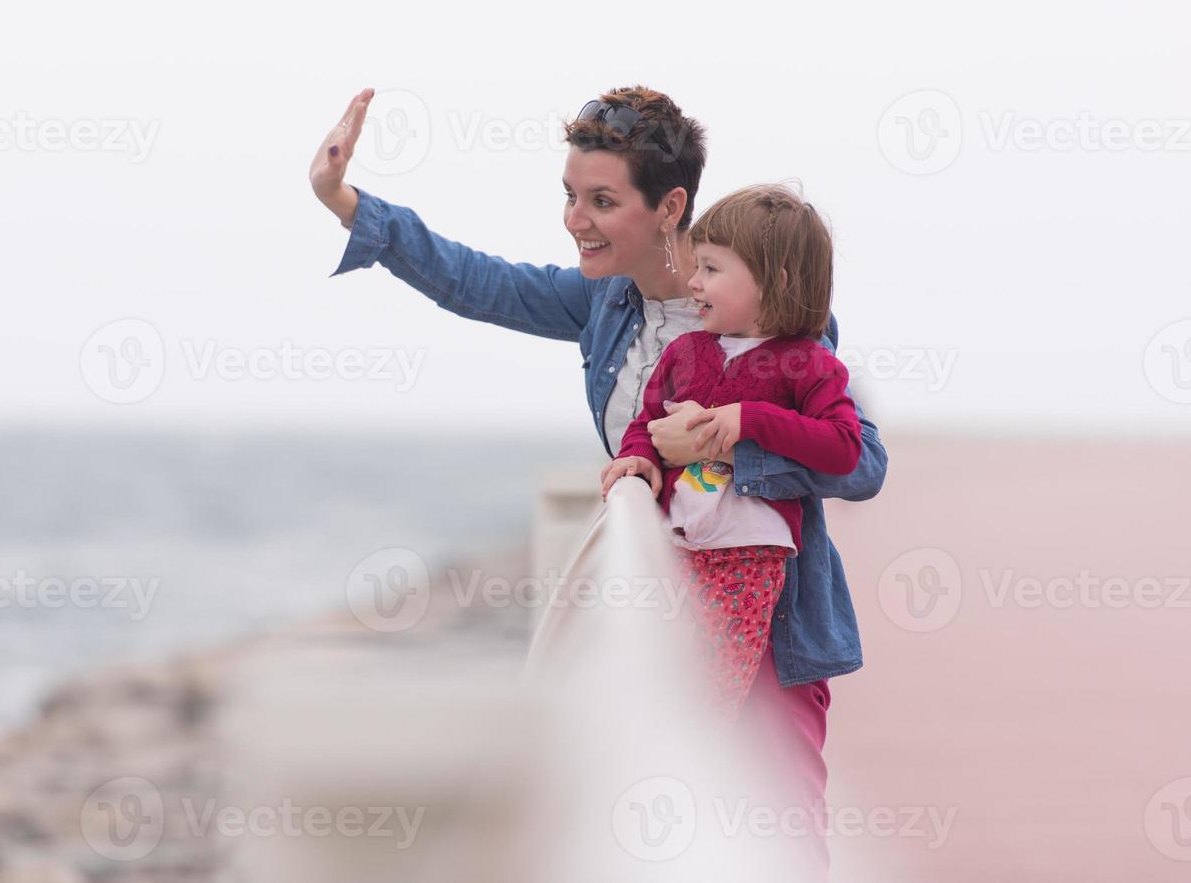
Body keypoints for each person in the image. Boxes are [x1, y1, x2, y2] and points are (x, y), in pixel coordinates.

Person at [309, 85, 888, 877]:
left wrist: (720, 444)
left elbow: (859, 466)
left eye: (601, 200)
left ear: (668, 205)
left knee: (778, 831)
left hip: (770, 621)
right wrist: (343, 200)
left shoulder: (772, 307)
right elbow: (476, 281)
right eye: (570, 196)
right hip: (653, 608)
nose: (573, 218)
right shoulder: (604, 304)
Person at [600, 184, 863, 725]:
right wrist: (638, 457)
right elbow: (648, 421)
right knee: (670, 694)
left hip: (750, 559)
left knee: (712, 711)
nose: (692, 282)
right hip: (677, 553)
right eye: (697, 267)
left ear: (777, 283)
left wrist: (750, 420)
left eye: (712, 270)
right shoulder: (684, 352)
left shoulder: (810, 364)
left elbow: (844, 449)